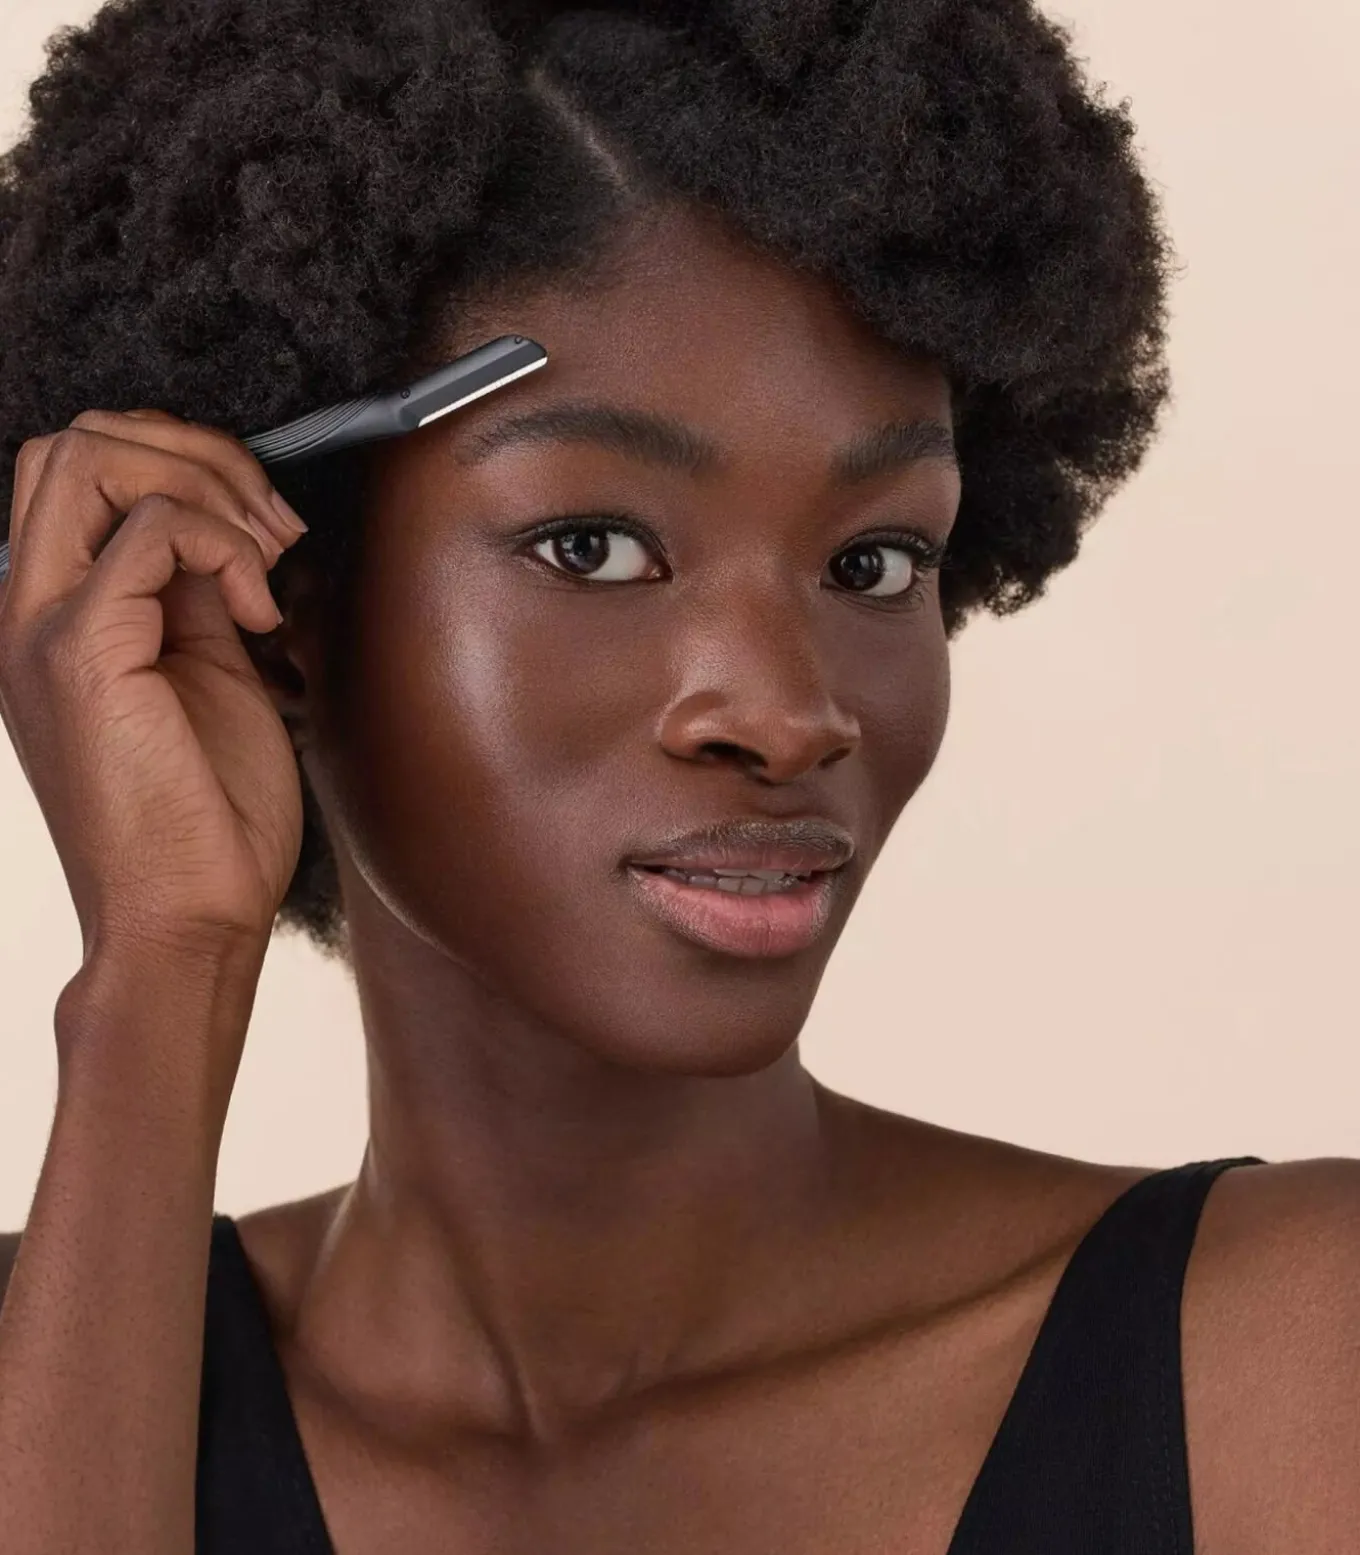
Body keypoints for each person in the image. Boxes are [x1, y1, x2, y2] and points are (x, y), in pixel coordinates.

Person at [0, 0, 1355, 1549]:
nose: (788, 714)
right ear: (281, 602)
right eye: (594, 547)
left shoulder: (1285, 1356)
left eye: (873, 560)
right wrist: (160, 965)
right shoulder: (52, 1372)